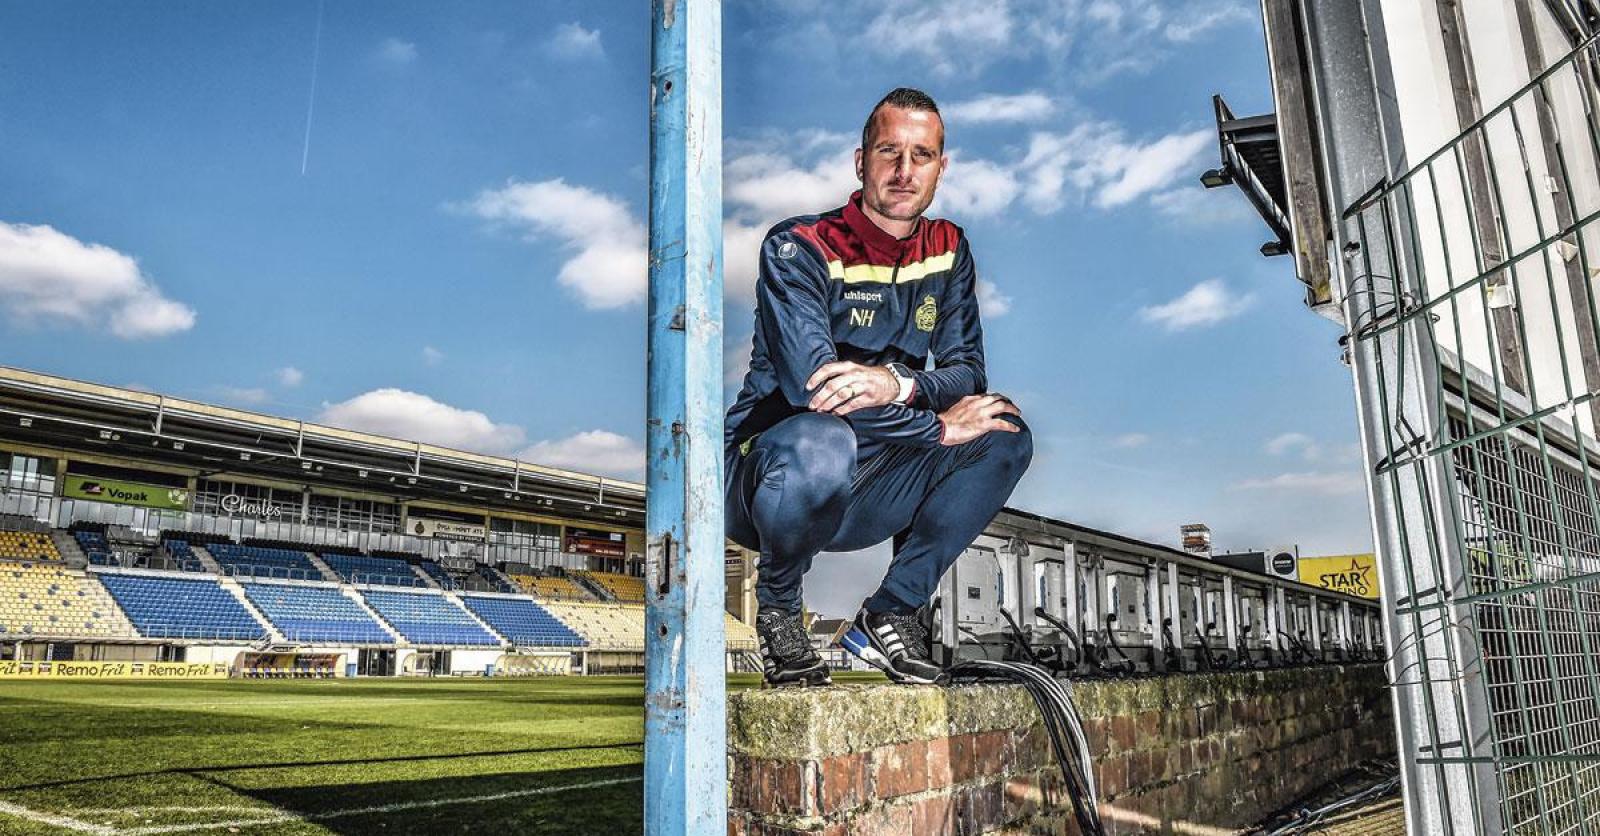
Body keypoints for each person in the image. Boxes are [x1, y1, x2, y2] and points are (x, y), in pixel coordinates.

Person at [725, 87, 1032, 686]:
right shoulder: (798, 246)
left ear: (942, 167)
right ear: (860, 160)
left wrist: (896, 385)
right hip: (773, 482)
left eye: (922, 155)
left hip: (875, 483)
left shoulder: (948, 248)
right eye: (889, 152)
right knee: (823, 436)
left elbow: (967, 374)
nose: (904, 170)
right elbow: (819, 391)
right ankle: (782, 613)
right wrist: (936, 424)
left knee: (1002, 430)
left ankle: (892, 613)